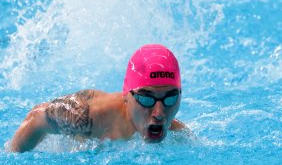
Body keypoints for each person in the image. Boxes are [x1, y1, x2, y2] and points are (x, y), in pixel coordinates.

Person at [10, 44, 186, 152]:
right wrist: (16, 158)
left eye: (170, 99)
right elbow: (36, 117)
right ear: (126, 96)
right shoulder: (87, 116)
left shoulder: (176, 131)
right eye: (147, 99)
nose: (160, 113)